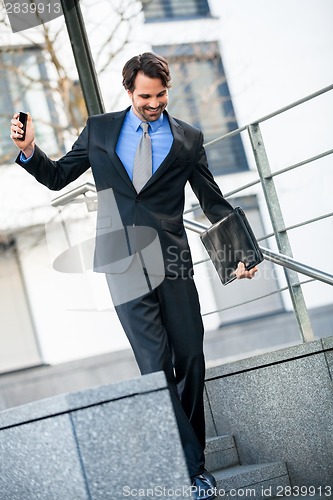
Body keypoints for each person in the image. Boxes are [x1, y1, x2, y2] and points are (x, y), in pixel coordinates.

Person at [10, 52, 257, 500]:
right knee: (155, 365)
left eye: (161, 95)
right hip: (122, 260)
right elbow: (59, 175)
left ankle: (185, 454)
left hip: (173, 258)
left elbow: (212, 199)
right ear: (129, 91)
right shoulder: (101, 130)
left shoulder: (188, 138)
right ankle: (193, 468)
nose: (155, 103)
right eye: (146, 96)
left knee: (191, 356)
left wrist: (241, 252)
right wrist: (29, 150)